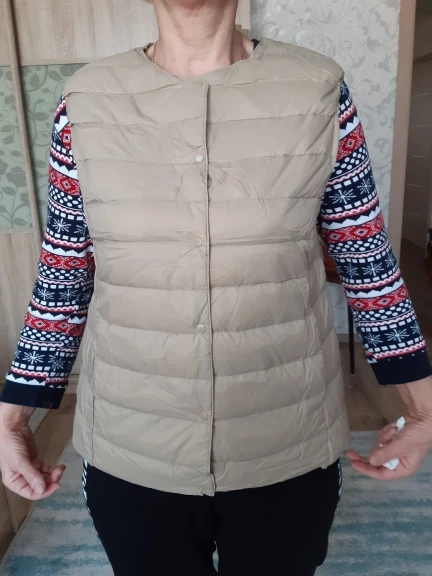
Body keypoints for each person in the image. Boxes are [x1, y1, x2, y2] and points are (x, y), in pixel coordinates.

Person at [1, 0, 432, 574]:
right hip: (133, 445)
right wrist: (13, 418)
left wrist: (423, 411)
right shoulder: (83, 102)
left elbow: (367, 261)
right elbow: (64, 271)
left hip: (288, 441)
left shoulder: (320, 90)